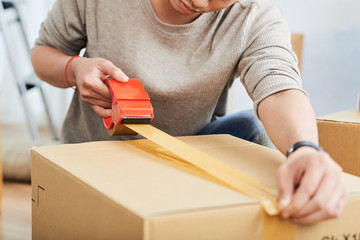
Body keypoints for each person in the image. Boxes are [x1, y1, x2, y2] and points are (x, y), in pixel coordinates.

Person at [31, 0, 347, 225]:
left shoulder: (252, 15)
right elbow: (44, 53)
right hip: (96, 152)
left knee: (251, 129)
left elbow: (278, 88)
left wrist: (305, 149)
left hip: (186, 158)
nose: (196, 2)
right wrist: (75, 69)